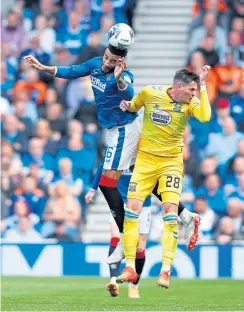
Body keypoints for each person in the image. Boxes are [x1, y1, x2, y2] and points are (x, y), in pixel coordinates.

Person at [117, 66, 211, 289]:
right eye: (191, 89)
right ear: (178, 87)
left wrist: (204, 86)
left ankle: (166, 271)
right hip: (145, 163)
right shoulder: (151, 93)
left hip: (171, 164)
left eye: (196, 90)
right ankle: (130, 266)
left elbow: (206, 117)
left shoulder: (191, 104)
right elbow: (134, 104)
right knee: (131, 211)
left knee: (169, 211)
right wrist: (127, 105)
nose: (193, 93)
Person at [85, 164, 151, 299]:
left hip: (143, 201)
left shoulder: (146, 149)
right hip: (120, 201)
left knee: (139, 247)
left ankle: (134, 285)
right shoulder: (122, 148)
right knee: (116, 235)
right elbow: (103, 164)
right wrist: (93, 188)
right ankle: (114, 280)